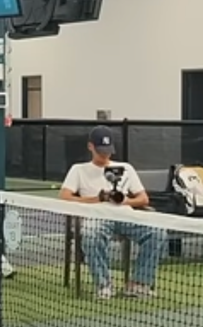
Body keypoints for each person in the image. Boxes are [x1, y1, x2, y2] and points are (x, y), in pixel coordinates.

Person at [59, 126, 166, 299]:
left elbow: (143, 199)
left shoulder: (126, 168)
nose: (105, 155)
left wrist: (125, 201)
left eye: (108, 151)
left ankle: (138, 284)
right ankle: (104, 284)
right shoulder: (78, 169)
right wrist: (97, 199)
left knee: (157, 232)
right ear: (90, 147)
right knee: (90, 235)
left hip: (126, 216)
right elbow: (65, 197)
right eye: (101, 150)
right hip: (96, 218)